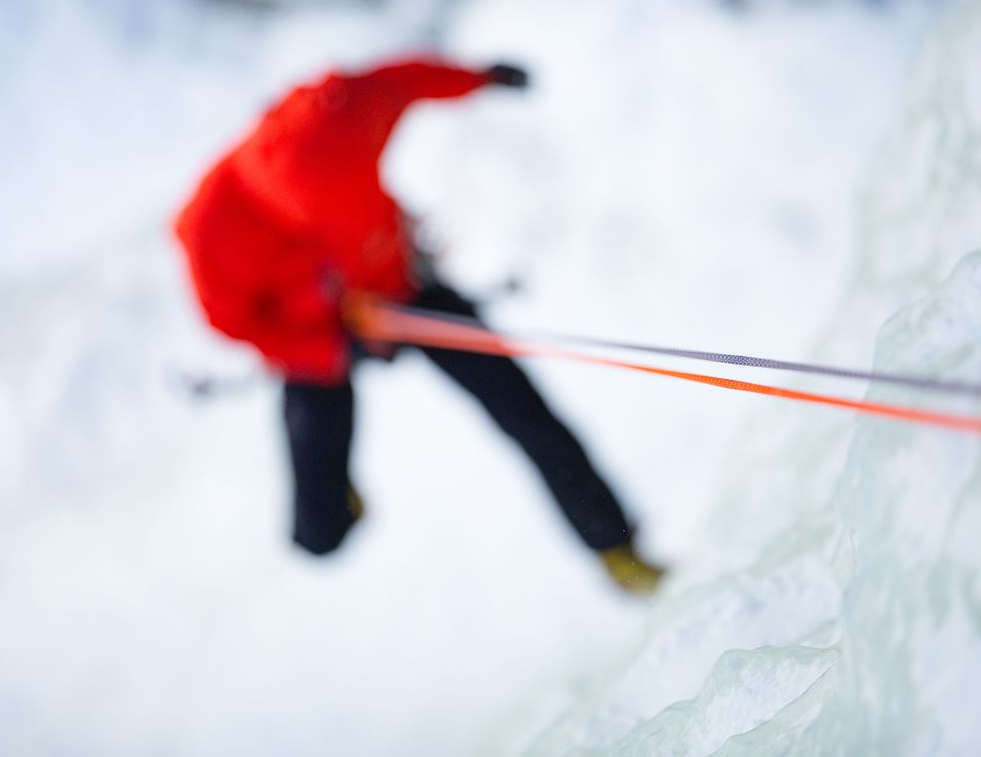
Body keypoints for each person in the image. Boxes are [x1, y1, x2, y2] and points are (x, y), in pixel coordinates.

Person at [174, 56, 663, 593]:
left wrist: (479, 78)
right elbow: (236, 326)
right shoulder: (208, 229)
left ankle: (616, 547)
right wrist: (335, 352)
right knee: (318, 521)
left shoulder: (341, 111)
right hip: (326, 332)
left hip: (401, 285)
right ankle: (328, 519)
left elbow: (404, 79)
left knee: (526, 413)